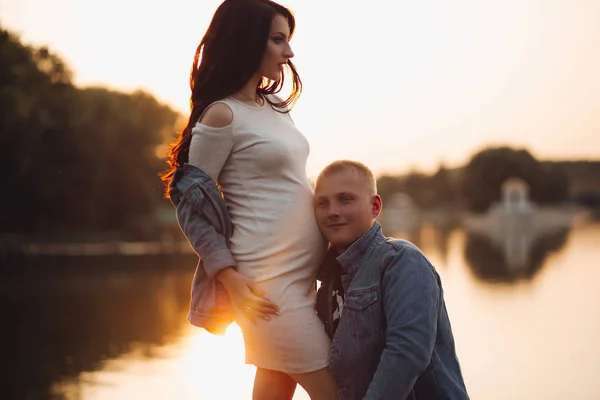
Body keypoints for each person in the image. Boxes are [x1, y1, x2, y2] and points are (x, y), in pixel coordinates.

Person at [160, 1, 338, 399]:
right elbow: (190, 204)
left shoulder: (274, 107)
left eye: (288, 40)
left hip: (302, 280)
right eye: (278, 40)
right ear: (247, 41)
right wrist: (228, 277)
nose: (289, 53)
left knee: (274, 387)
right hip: (266, 288)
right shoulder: (222, 116)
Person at [313, 160, 470, 400]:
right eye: (322, 203)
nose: (332, 211)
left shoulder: (402, 261)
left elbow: (407, 353)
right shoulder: (327, 284)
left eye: (345, 199)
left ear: (375, 206)